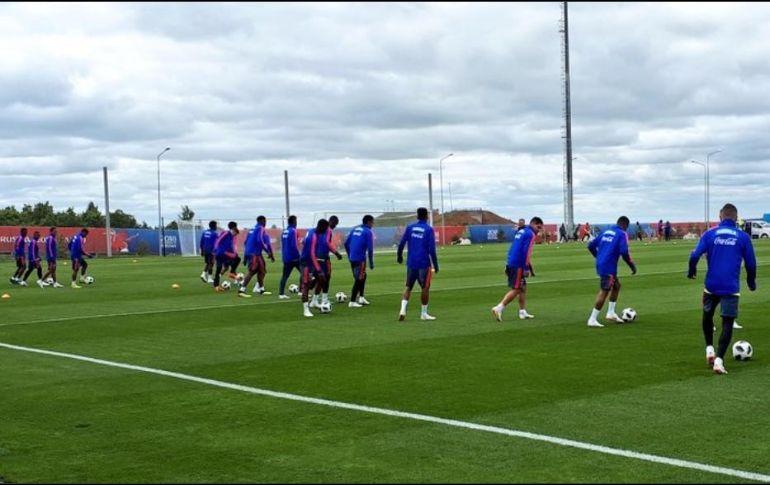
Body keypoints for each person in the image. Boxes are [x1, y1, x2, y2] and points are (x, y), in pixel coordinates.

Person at [688, 203, 756, 375]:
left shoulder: (710, 234)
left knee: (707, 316)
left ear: (720, 217)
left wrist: (692, 270)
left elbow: (695, 254)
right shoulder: (742, 237)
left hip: (711, 285)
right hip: (730, 287)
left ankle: (709, 349)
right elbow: (751, 263)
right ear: (736, 217)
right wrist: (751, 281)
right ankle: (719, 361)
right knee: (727, 323)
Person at [586, 216, 637, 327]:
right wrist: (632, 265)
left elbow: (590, 245)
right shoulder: (622, 234)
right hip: (608, 266)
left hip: (602, 264)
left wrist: (598, 256)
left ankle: (611, 312)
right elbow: (624, 252)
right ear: (625, 226)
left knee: (617, 286)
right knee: (605, 290)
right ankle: (592, 319)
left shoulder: (606, 232)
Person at [491, 217, 543, 322]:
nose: (539, 230)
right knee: (517, 288)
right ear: (533, 224)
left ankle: (522, 312)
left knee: (523, 287)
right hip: (518, 264)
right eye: (538, 227)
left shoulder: (522, 231)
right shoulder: (530, 234)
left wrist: (508, 262)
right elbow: (526, 251)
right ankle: (499, 308)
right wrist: (526, 267)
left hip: (512, 261)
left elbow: (513, 247)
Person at [397, 207, 439, 321]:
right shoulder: (429, 229)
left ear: (417, 216)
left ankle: (402, 309)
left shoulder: (410, 227)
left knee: (408, 286)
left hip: (411, 263)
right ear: (426, 216)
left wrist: (399, 256)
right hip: (424, 263)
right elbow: (432, 250)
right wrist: (436, 264)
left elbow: (401, 244)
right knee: (425, 288)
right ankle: (424, 313)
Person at [310, 215, 343, 309]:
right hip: (323, 257)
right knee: (326, 278)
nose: (334, 226)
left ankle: (314, 300)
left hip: (316, 257)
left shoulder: (317, 230)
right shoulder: (328, 230)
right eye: (334, 224)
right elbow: (327, 243)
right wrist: (336, 253)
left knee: (319, 280)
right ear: (331, 221)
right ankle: (324, 300)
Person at [300, 219, 330, 318]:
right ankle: (306, 309)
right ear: (321, 227)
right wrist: (319, 269)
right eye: (325, 229)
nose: (326, 231)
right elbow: (312, 253)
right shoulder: (313, 236)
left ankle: (314, 301)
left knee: (322, 279)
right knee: (306, 284)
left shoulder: (311, 231)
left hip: (313, 260)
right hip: (307, 262)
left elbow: (303, 241)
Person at [345, 215, 375, 308]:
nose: (373, 224)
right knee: (359, 279)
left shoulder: (355, 229)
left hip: (352, 258)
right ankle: (352, 301)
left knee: (363, 276)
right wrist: (371, 262)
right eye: (372, 222)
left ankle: (361, 297)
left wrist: (349, 255)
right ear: (369, 222)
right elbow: (370, 249)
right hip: (360, 258)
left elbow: (346, 243)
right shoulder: (368, 232)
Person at [241, 215, 275, 296]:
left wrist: (245, 256)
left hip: (255, 253)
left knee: (262, 270)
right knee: (252, 271)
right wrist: (268, 252)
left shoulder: (251, 230)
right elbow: (260, 241)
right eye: (265, 221)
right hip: (254, 254)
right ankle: (241, 290)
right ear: (262, 221)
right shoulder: (260, 228)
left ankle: (261, 289)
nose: (265, 223)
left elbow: (246, 242)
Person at [212, 221, 241, 292]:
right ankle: (231, 272)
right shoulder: (225, 233)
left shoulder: (231, 236)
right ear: (233, 229)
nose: (235, 235)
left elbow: (231, 246)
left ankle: (216, 286)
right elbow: (218, 240)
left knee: (235, 259)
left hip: (225, 254)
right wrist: (215, 250)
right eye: (235, 233)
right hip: (221, 253)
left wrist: (234, 252)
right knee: (219, 268)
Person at [278, 215, 301, 300]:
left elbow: (284, 245)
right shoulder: (293, 231)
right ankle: (301, 291)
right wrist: (298, 255)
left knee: (285, 276)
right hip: (294, 257)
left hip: (286, 257)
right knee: (304, 273)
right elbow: (294, 245)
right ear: (294, 222)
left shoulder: (284, 231)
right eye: (296, 221)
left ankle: (281, 294)